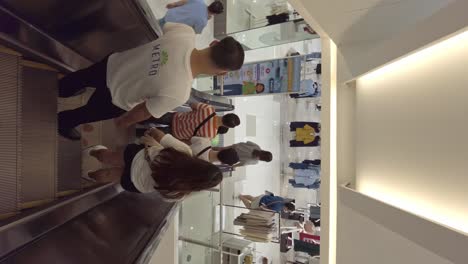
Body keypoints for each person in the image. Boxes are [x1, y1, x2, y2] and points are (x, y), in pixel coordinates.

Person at [57, 24, 245, 141]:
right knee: (86, 113)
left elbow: (158, 25)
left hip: (114, 64)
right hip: (116, 98)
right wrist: (126, 120)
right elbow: (143, 110)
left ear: (213, 44)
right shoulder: (179, 93)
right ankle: (63, 121)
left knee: (82, 77)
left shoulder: (185, 33)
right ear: (221, 72)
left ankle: (62, 88)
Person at [83, 128, 222, 200]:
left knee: (111, 157)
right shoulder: (180, 192)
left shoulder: (185, 152)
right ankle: (90, 175)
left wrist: (153, 132)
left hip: (138, 156)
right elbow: (163, 195)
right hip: (136, 183)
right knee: (109, 175)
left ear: (203, 164)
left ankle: (94, 152)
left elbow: (160, 135)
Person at [144, 102, 240, 140]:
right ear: (226, 126)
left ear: (226, 114)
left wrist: (194, 114)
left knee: (151, 116)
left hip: (176, 117)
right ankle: (137, 132)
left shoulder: (209, 109)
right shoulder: (210, 135)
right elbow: (193, 140)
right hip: (176, 133)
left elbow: (193, 104)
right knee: (151, 134)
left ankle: (135, 118)